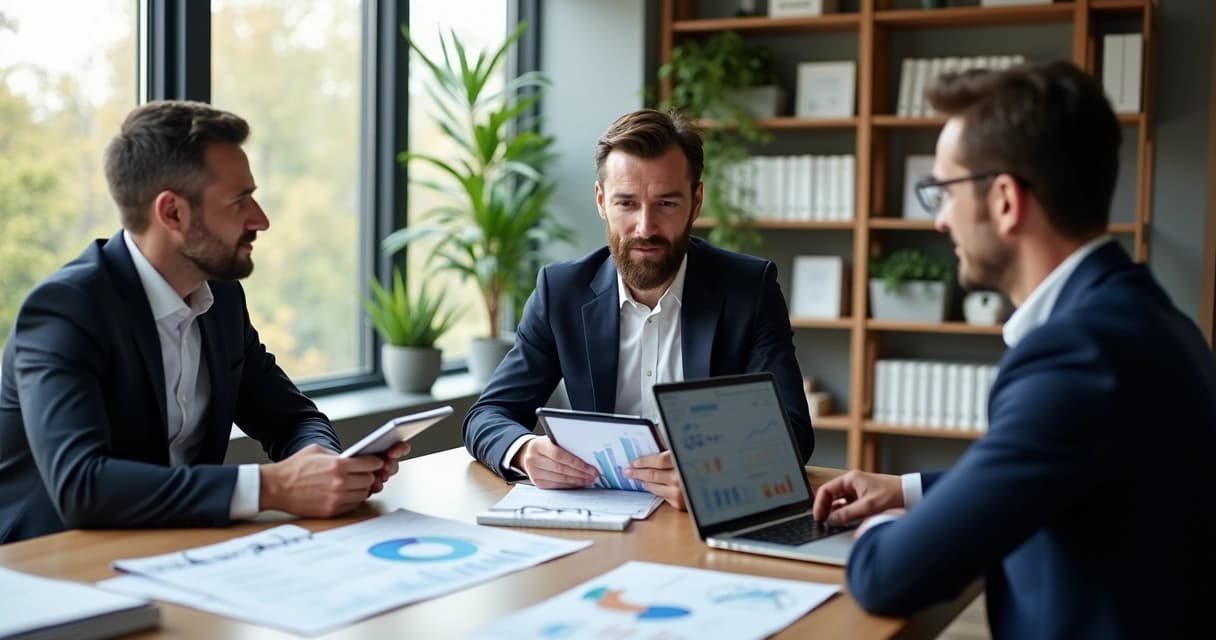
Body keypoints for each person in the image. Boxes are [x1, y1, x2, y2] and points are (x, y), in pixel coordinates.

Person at [812, 61, 1216, 637]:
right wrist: (905, 491)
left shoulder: (1078, 354)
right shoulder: (1146, 317)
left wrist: (874, 528)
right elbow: (1062, 467)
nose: (939, 221)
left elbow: (886, 576)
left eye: (942, 192)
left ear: (1004, 200)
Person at [0, 100, 409, 544]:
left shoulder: (222, 298)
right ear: (172, 213)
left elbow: (292, 419)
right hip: (52, 563)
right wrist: (273, 487)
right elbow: (81, 486)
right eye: (239, 201)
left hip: (182, 550)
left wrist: (327, 466)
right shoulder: (65, 310)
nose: (261, 220)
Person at [463, 109, 812, 509]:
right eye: (627, 203)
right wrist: (525, 451)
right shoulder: (560, 292)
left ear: (696, 202)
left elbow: (792, 431)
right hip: (597, 516)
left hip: (702, 518)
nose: (645, 227)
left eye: (666, 203)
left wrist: (712, 471)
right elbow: (488, 414)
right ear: (601, 201)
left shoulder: (750, 290)